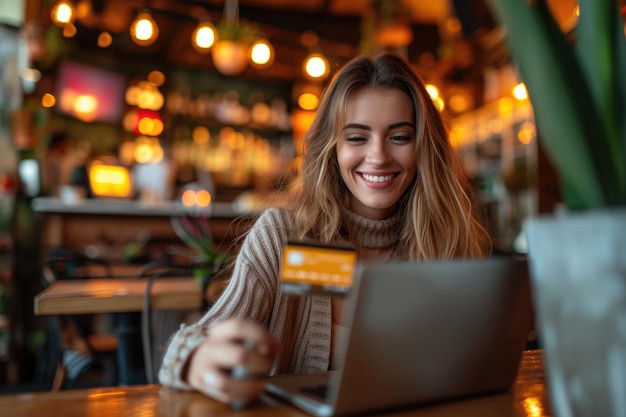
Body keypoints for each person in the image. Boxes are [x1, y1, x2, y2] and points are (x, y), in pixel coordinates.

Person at [159, 52, 491, 405]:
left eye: (399, 136)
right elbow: (191, 345)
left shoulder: (443, 243)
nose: (378, 156)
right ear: (331, 147)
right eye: (357, 138)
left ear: (424, 146)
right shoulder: (283, 235)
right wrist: (196, 361)